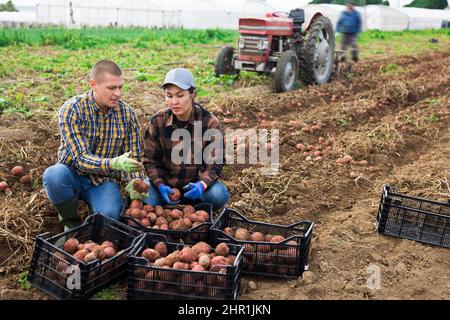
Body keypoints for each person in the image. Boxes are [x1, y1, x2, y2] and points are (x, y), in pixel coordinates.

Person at [43, 60, 145, 230]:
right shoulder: (72, 110)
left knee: (110, 215)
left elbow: (133, 158)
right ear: (93, 85)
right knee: (54, 175)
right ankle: (70, 222)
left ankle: (95, 216)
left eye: (120, 87)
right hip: (72, 174)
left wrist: (136, 189)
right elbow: (80, 158)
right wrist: (113, 163)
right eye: (112, 88)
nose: (118, 93)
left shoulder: (128, 115)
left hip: (103, 180)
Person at [141, 68, 229, 210]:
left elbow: (215, 161)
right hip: (167, 185)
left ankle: (192, 205)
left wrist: (202, 185)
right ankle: (174, 204)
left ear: (192, 93)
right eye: (169, 96)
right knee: (146, 195)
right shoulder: (157, 121)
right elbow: (150, 161)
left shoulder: (209, 122)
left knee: (218, 195)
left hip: (195, 185)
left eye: (180, 95)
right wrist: (160, 185)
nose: (174, 102)